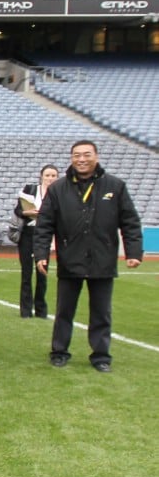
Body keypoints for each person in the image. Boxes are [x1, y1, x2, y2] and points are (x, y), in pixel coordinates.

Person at [34, 141, 142, 373]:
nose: (81, 159)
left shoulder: (115, 186)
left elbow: (130, 222)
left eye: (86, 155)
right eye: (76, 155)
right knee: (64, 310)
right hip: (70, 258)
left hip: (102, 259)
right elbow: (44, 225)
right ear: (71, 158)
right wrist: (41, 254)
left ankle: (101, 356)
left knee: (102, 311)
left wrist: (133, 252)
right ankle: (59, 351)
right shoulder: (58, 188)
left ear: (96, 156)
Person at [15, 165, 59, 319]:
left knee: (42, 273)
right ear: (41, 176)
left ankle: (41, 309)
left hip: (45, 235)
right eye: (47, 175)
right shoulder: (30, 189)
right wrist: (27, 212)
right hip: (28, 233)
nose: (50, 178)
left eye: (53, 175)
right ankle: (25, 311)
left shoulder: (59, 194)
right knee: (26, 273)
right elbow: (18, 211)